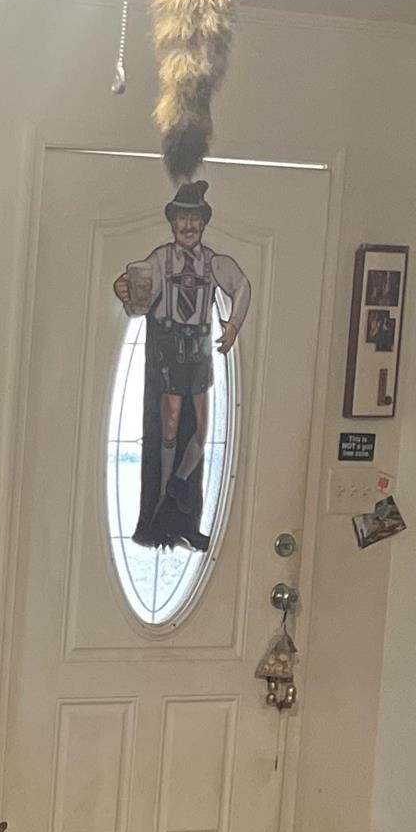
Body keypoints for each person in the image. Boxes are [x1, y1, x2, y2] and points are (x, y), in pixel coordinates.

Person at [113, 179, 251, 554]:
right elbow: (140, 304)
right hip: (170, 349)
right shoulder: (161, 259)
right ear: (173, 224)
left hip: (200, 351)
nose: (189, 227)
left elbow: (241, 285)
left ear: (203, 224)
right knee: (170, 423)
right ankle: (158, 508)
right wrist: (125, 294)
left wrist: (234, 326)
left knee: (201, 429)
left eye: (195, 220)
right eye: (182, 220)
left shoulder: (213, 262)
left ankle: (181, 493)